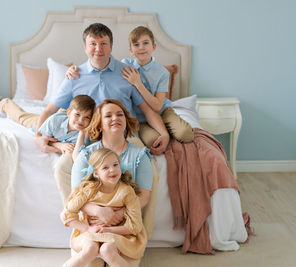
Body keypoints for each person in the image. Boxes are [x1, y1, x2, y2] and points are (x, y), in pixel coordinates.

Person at [33, 23, 169, 156]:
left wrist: (164, 134)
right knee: (62, 169)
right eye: (93, 44)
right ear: (85, 48)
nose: (98, 49)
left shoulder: (127, 73)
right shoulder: (74, 76)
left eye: (103, 43)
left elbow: (147, 110)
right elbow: (50, 110)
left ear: (111, 47)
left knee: (145, 163)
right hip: (88, 141)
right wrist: (38, 137)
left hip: (125, 137)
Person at [66, 26, 194, 147]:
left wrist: (137, 83)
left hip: (160, 110)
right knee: (152, 140)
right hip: (139, 117)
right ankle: (159, 129)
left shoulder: (162, 72)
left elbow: (156, 106)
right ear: (131, 50)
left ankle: (166, 129)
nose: (141, 48)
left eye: (145, 43)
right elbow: (105, 68)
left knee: (185, 134)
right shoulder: (125, 66)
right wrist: (72, 69)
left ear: (154, 46)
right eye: (136, 45)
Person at [61, 148, 147, 267]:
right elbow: (67, 215)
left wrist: (108, 230)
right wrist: (87, 229)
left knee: (107, 250)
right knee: (90, 249)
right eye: (105, 167)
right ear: (96, 173)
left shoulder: (126, 191)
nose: (112, 170)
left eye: (115, 165)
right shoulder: (89, 190)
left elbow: (135, 226)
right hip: (91, 231)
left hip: (118, 233)